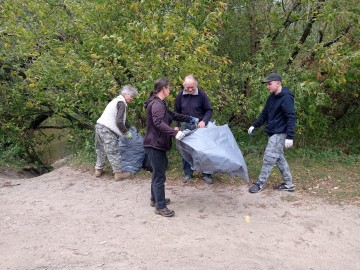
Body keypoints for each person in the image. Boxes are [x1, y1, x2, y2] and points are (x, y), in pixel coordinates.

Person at [144, 78, 197, 218]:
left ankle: (155, 199)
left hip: (155, 143)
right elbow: (158, 122)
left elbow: (172, 115)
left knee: (157, 173)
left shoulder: (159, 103)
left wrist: (189, 118)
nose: (170, 90)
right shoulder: (156, 104)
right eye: (169, 88)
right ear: (163, 89)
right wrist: (175, 133)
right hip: (155, 144)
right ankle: (160, 206)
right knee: (160, 175)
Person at [248, 72, 296, 193]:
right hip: (272, 132)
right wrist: (255, 125)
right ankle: (289, 184)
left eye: (270, 84)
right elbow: (265, 113)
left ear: (278, 83)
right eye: (267, 84)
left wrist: (290, 136)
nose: (268, 86)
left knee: (268, 158)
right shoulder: (272, 97)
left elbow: (291, 117)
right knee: (279, 159)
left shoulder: (286, 98)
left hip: (279, 133)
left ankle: (260, 183)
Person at [174, 74, 214, 184]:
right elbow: (176, 112)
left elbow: (209, 110)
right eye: (188, 87)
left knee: (203, 151)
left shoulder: (201, 95)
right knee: (185, 150)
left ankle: (206, 174)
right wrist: (176, 125)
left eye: (192, 87)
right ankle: (188, 173)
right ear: (184, 86)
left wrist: (203, 121)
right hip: (186, 126)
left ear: (196, 85)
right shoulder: (180, 96)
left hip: (200, 127)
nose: (190, 89)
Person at [94, 85, 138, 181]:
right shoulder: (121, 103)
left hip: (98, 126)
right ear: (126, 94)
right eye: (131, 96)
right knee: (113, 151)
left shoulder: (115, 101)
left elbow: (120, 119)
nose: (132, 99)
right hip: (106, 129)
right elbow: (119, 121)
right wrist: (126, 132)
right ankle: (118, 174)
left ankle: (98, 169)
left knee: (100, 149)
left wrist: (129, 127)